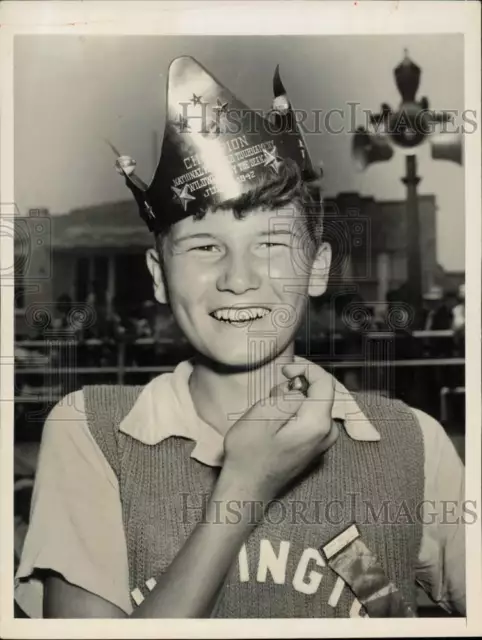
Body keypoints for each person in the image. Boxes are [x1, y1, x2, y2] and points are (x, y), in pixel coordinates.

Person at [15, 56, 465, 619]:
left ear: (319, 268)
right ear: (158, 275)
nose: (237, 279)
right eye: (205, 246)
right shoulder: (93, 430)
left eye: (272, 245)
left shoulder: (412, 443)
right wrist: (244, 488)